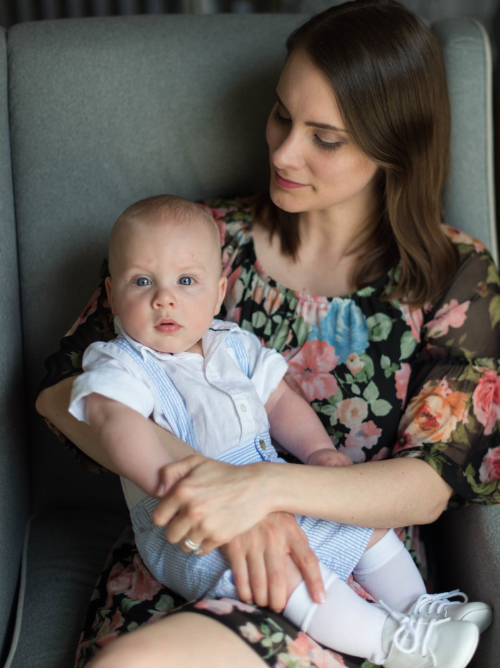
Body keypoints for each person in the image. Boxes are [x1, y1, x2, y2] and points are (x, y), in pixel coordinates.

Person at [36, 0, 500, 668]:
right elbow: (62, 393)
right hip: (190, 554)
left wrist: (264, 491)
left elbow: (429, 482)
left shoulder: (455, 273)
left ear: (395, 145)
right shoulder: (195, 243)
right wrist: (218, 490)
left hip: (347, 581)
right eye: (282, 114)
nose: (283, 150)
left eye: (325, 137)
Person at [67, 194, 490, 667]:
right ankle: (392, 643)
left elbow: (279, 400)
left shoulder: (233, 344)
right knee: (286, 576)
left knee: (365, 525)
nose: (164, 297)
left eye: (186, 281)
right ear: (110, 293)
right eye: (141, 281)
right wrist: (178, 484)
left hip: (272, 491)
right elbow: (112, 420)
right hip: (190, 528)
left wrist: (318, 452)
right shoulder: (119, 361)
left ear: (219, 291)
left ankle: (422, 610)